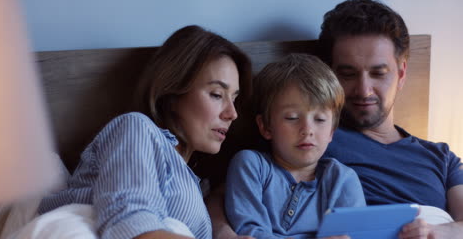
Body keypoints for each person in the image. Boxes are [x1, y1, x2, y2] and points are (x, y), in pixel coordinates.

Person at [36, 25, 252, 239]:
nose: (232, 113)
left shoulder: (193, 180)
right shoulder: (136, 128)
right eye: (216, 94)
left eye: (234, 98)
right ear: (172, 94)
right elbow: (133, 226)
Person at [319, 0, 463, 239]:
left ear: (402, 73)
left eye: (378, 73)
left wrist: (437, 231)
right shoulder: (311, 141)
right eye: (348, 74)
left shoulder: (442, 158)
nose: (364, 90)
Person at [224, 54, 365, 239]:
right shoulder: (251, 166)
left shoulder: (343, 180)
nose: (307, 130)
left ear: (332, 131)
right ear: (265, 126)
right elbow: (252, 232)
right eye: (292, 118)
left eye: (320, 119)